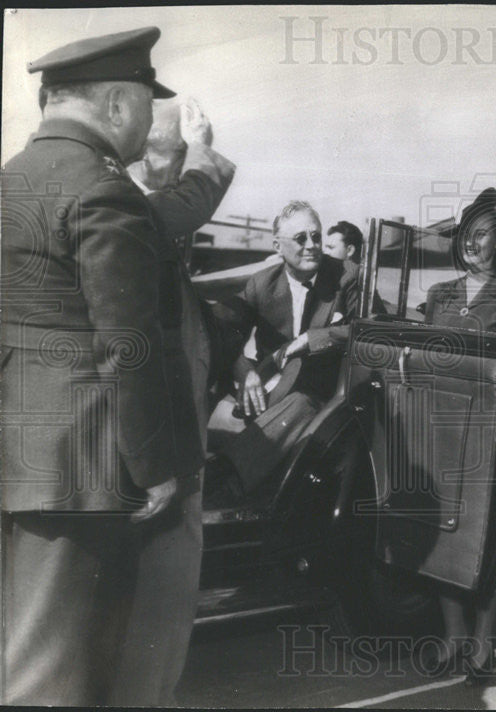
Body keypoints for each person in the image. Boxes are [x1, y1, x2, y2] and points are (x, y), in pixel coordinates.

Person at [0, 27, 203, 705]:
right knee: (55, 675)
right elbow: (128, 343)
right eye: (147, 104)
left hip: (22, 458)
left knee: (22, 651)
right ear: (117, 104)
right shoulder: (101, 189)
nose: (147, 124)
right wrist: (154, 469)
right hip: (81, 471)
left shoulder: (13, 179)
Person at [108, 96, 236, 706]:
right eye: (177, 151)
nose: (185, 164)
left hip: (163, 452)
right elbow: (188, 203)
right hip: (155, 461)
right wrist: (205, 153)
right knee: (153, 603)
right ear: (144, 155)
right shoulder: (130, 208)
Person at [422, 187, 496, 682]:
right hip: (441, 428)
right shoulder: (438, 295)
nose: (472, 243)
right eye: (466, 234)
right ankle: (453, 634)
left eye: (482, 233)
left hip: (489, 431)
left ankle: (483, 640)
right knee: (442, 532)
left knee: (484, 537)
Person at [206, 201, 359, 501]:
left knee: (301, 403)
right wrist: (244, 370)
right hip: (270, 390)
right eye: (301, 239)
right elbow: (221, 330)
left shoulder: (348, 276)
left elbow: (367, 328)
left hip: (326, 397)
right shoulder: (262, 284)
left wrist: (311, 339)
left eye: (316, 236)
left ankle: (226, 486)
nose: (312, 246)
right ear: (278, 246)